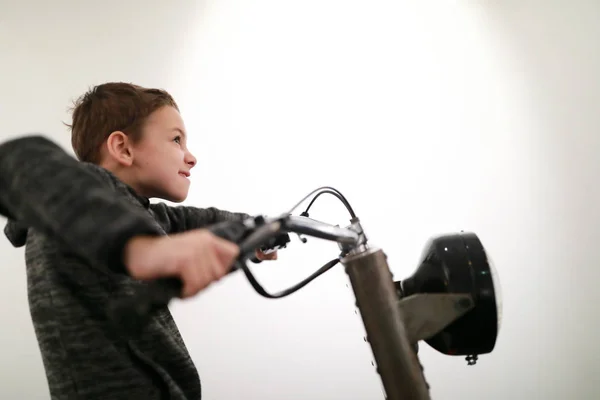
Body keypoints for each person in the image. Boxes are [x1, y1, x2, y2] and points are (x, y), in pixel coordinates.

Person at [0, 82, 276, 400]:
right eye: (176, 139)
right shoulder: (78, 199)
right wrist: (142, 250)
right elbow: (19, 159)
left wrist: (261, 230)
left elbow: (200, 219)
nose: (191, 157)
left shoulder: (141, 214)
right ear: (124, 148)